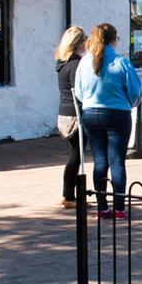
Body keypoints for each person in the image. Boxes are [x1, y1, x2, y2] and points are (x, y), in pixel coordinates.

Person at [74, 22, 142, 218]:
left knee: (100, 161)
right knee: (117, 162)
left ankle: (102, 207)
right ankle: (120, 208)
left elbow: (79, 92)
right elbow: (135, 90)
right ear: (113, 40)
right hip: (117, 114)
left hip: (90, 114)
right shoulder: (121, 62)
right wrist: (130, 104)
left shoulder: (84, 62)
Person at [53, 25, 85, 210]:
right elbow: (78, 91)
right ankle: (69, 196)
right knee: (76, 156)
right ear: (79, 42)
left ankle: (68, 194)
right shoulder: (75, 64)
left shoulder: (62, 63)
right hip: (75, 114)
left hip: (64, 112)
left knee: (74, 155)